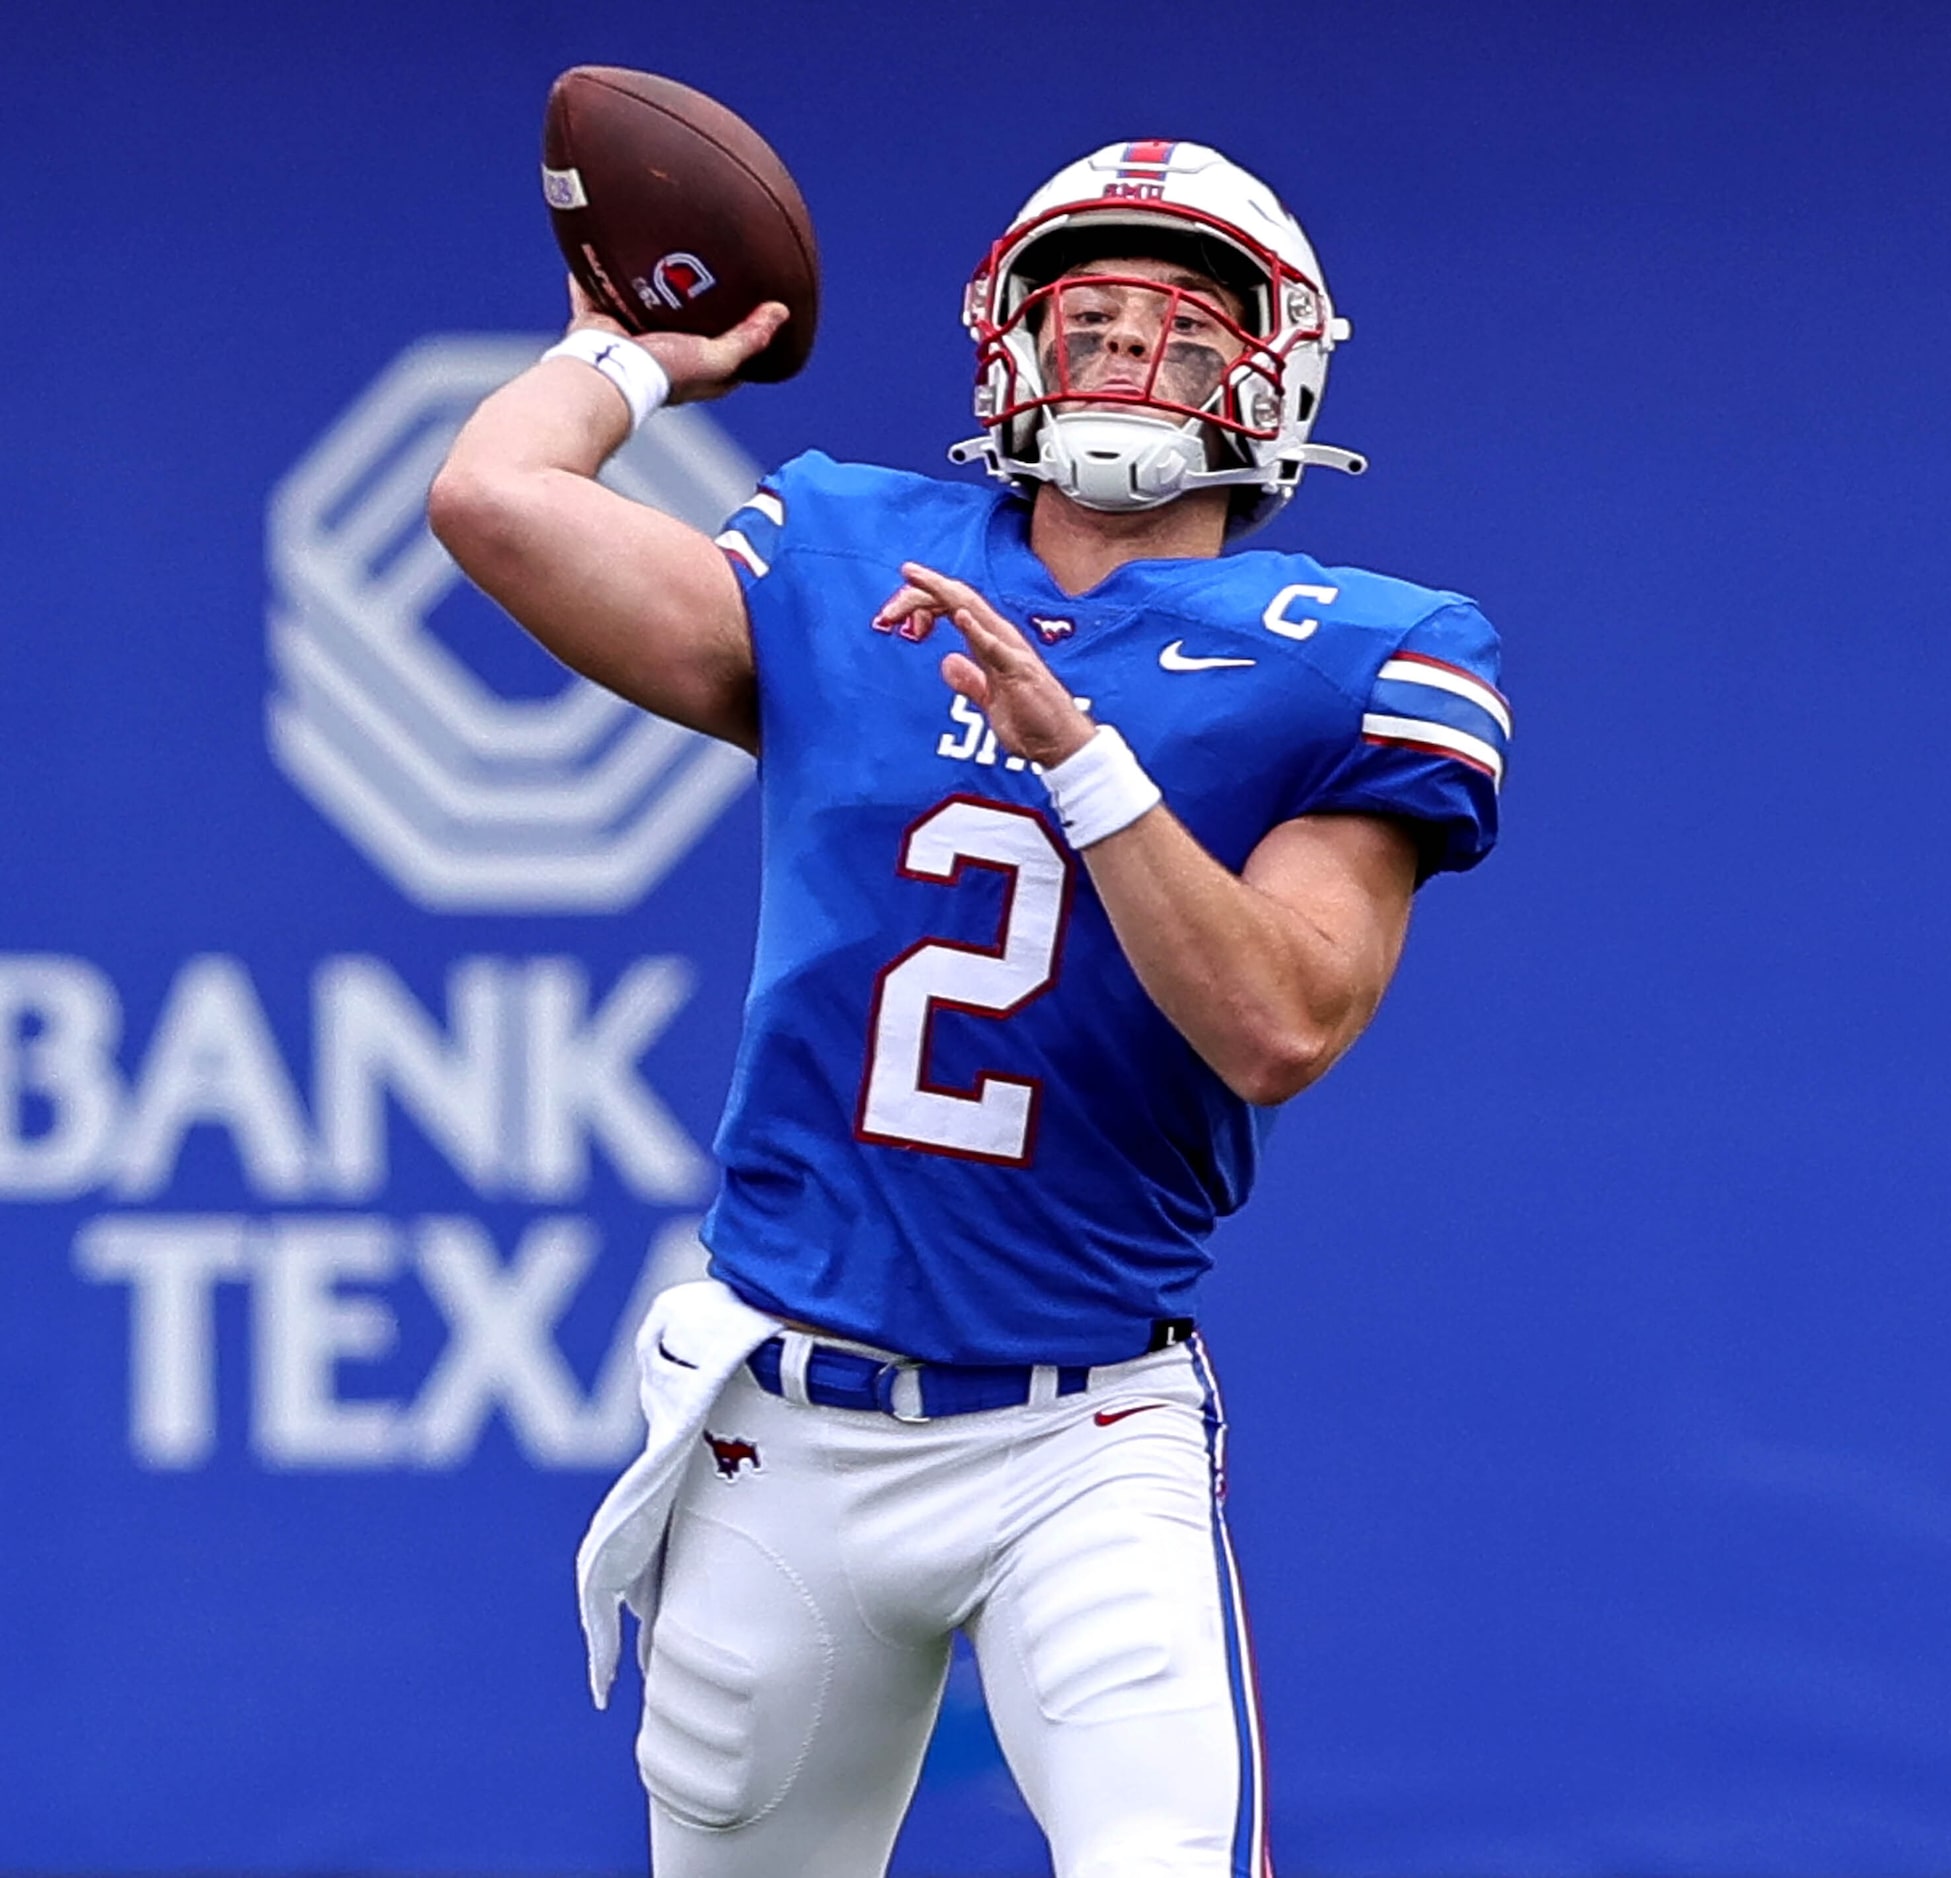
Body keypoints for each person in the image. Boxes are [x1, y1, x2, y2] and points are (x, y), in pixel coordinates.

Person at [430, 137, 1508, 1878]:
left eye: (1176, 325)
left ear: (1275, 364)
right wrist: (627, 355)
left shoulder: (1352, 645)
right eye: (1083, 319)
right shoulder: (855, 542)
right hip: (781, 1418)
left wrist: (1085, 766)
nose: (1120, 361)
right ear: (1006, 339)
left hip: (1079, 1430)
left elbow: (1279, 1025)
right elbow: (493, 505)